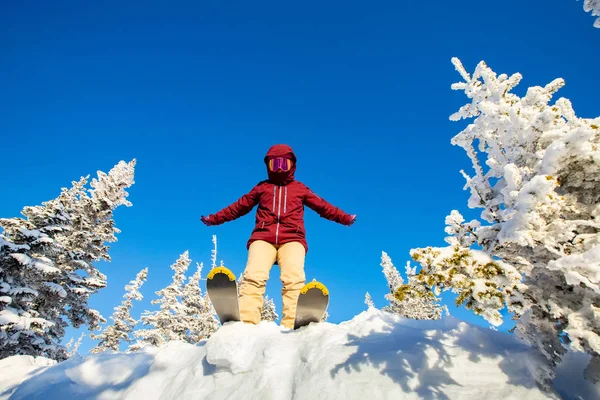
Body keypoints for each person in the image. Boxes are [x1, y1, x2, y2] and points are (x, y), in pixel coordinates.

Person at [200, 144, 356, 329]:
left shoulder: (300, 189)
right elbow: (238, 207)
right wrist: (216, 218)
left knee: (293, 277)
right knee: (254, 276)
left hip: (293, 239)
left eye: (284, 163)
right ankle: (247, 322)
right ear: (268, 166)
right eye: (275, 164)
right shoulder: (262, 188)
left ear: (292, 166)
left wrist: (344, 218)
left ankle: (291, 323)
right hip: (263, 237)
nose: (280, 168)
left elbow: (323, 206)